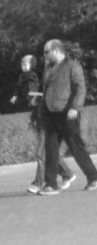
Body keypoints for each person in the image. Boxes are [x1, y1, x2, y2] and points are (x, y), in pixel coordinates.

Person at [40, 39, 97, 192]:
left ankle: (93, 177)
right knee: (50, 149)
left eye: (46, 52)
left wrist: (75, 107)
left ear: (56, 51)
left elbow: (80, 88)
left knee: (76, 148)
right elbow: (47, 89)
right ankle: (50, 184)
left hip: (67, 113)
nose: (44, 55)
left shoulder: (72, 66)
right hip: (51, 114)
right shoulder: (48, 68)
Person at [10, 52, 49, 193]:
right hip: (36, 114)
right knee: (46, 151)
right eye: (21, 64)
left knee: (40, 153)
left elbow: (33, 93)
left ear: (31, 65)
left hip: (41, 114)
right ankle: (66, 173)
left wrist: (33, 99)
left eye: (25, 63)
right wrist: (16, 96)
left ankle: (38, 182)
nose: (23, 66)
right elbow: (20, 89)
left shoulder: (31, 77)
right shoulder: (23, 77)